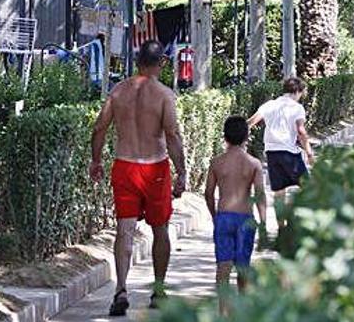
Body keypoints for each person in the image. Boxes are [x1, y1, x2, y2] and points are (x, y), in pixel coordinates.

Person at [90, 40, 187, 317]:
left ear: (137, 62)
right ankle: (158, 289)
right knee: (160, 229)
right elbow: (172, 135)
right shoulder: (165, 95)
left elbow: (99, 128)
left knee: (125, 230)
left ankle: (121, 289)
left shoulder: (118, 92)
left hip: (124, 166)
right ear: (162, 63)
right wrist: (181, 171)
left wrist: (96, 161)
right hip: (155, 168)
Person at [204, 116, 267, 312]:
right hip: (245, 219)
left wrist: (215, 215)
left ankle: (222, 312)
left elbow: (208, 193)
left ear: (225, 137)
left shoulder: (217, 162)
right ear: (246, 137)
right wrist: (263, 223)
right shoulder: (254, 164)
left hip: (223, 217)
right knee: (243, 268)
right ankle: (242, 310)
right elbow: (260, 195)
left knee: (223, 266)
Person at [246, 77, 314, 228]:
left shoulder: (269, 105)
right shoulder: (297, 108)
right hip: (289, 153)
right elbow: (301, 132)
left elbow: (251, 122)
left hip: (272, 153)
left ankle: (282, 229)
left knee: (279, 193)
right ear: (297, 91)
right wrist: (309, 153)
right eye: (301, 93)